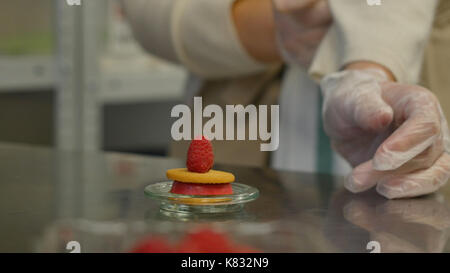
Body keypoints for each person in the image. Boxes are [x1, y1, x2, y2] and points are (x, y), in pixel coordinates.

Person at [121, 0, 450, 199]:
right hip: (234, 150)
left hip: (405, 119)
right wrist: (261, 28)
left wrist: (369, 72)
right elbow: (149, 10)